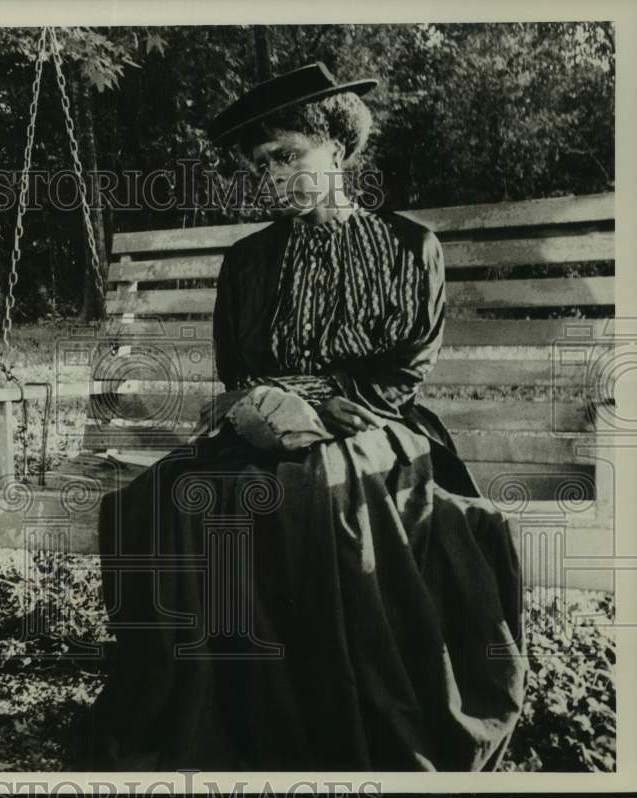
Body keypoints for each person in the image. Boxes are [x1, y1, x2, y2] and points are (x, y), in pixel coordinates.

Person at [82, 63, 527, 772]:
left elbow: (408, 366)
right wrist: (266, 407)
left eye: (288, 155)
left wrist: (317, 406)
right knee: (179, 498)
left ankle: (342, 720)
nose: (273, 177)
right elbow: (240, 370)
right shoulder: (248, 262)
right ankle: (226, 722)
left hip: (377, 425)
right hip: (264, 421)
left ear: (338, 150)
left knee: (315, 497)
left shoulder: (410, 247)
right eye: (260, 165)